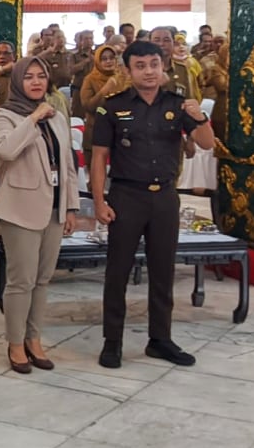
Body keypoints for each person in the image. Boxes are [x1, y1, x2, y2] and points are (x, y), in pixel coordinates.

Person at [91, 40, 215, 370]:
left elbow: (206, 143)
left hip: (164, 198)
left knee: (163, 270)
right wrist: (100, 201)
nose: (149, 71)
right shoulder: (112, 107)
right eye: (141, 66)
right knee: (117, 271)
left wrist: (198, 116)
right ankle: (112, 341)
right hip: (127, 196)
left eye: (154, 65)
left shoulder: (177, 104)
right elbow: (100, 157)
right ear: (128, 71)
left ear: (163, 67)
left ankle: (160, 339)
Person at [0, 57, 80, 374]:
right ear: (17, 81)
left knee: (42, 280)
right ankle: (15, 343)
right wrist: (33, 118)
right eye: (28, 77)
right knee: (21, 281)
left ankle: (34, 338)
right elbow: (6, 150)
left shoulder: (57, 117)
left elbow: (67, 165)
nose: (36, 82)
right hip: (20, 209)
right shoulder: (4, 115)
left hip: (54, 207)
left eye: (41, 76)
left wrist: (70, 206)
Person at [80, 44, 128, 175]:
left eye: (111, 58)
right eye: (104, 59)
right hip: (96, 129)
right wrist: (105, 89)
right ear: (98, 61)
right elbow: (88, 106)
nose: (108, 61)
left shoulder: (123, 78)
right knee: (96, 173)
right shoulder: (90, 79)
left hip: (121, 129)